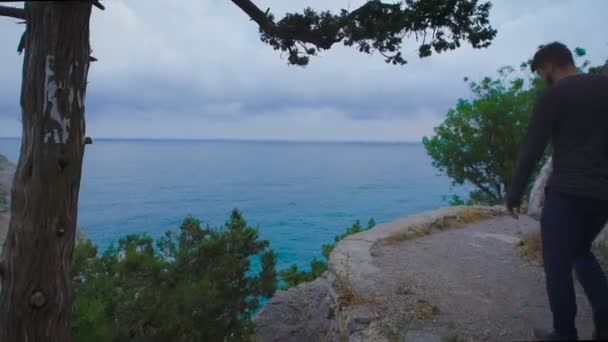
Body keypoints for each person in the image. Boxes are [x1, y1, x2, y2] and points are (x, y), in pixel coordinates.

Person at [506, 42, 608, 341]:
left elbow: (532, 148)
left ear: (549, 66)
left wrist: (514, 194)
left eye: (540, 72)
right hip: (603, 194)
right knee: (581, 252)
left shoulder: (555, 95)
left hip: (567, 192)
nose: (541, 78)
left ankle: (564, 334)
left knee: (557, 266)